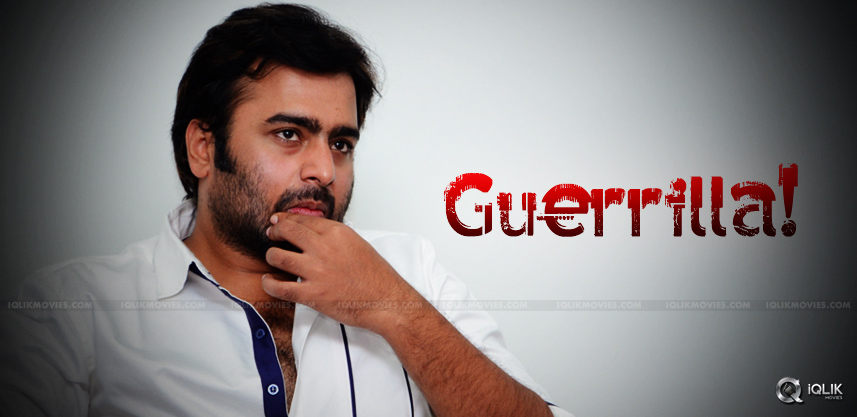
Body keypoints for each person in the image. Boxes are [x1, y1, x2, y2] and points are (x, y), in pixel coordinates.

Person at [0, 4, 571, 416]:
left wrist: (393, 307)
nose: (324, 169)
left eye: (341, 143)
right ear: (203, 148)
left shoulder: (413, 272)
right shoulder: (73, 311)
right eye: (289, 134)